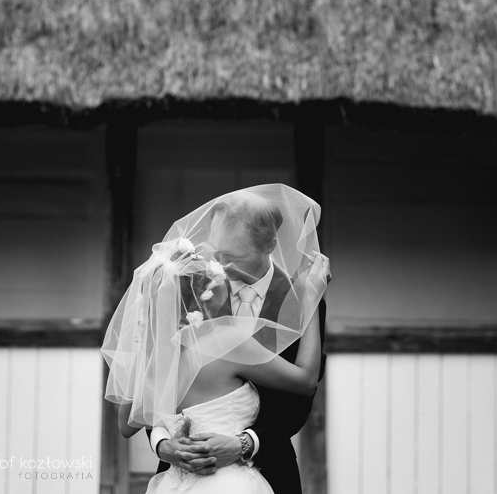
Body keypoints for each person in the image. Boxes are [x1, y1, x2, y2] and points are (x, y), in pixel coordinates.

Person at [101, 183, 330, 494]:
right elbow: (160, 389)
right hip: (184, 471)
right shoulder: (193, 290)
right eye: (216, 252)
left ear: (268, 245)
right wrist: (163, 443)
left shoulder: (300, 300)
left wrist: (246, 443)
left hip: (269, 468)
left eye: (232, 256)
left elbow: (299, 402)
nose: (220, 264)